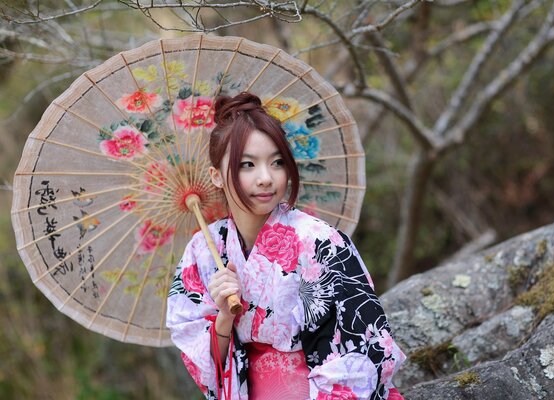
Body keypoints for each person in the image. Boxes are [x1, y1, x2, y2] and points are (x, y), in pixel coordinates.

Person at [166, 92, 406, 400]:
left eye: (277, 162)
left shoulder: (321, 242)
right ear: (216, 176)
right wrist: (224, 317)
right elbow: (205, 365)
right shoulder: (203, 250)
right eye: (247, 165)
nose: (266, 178)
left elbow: (359, 349)